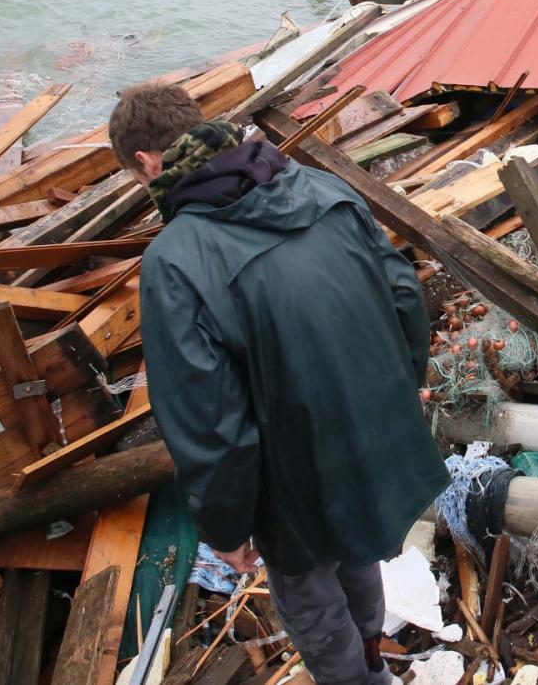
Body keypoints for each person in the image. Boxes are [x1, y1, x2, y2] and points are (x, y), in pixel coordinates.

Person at [110, 83, 447, 685]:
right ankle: (373, 657)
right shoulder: (322, 186)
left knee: (311, 600)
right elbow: (403, 294)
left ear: (145, 162)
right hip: (369, 427)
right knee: (359, 545)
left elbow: (207, 419)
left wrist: (226, 526)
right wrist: (393, 397)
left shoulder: (175, 258)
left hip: (287, 478)